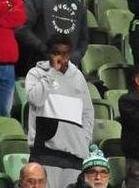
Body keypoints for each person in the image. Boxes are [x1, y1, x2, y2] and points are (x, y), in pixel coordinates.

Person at [25, 34, 93, 188]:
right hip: (46, 153)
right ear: (49, 53)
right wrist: (51, 73)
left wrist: (84, 140)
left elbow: (87, 112)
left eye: (65, 53)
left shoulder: (78, 77)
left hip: (74, 155)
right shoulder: (36, 73)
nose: (61, 57)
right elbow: (35, 98)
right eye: (56, 53)